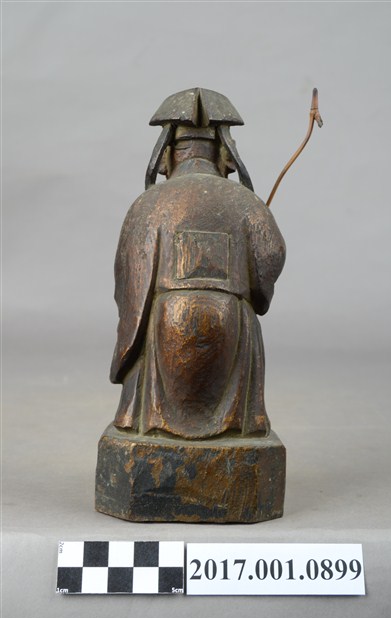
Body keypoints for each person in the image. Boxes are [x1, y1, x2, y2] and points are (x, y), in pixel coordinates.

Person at [110, 88, 285, 439]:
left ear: (165, 156)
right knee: (246, 315)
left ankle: (138, 419)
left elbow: (130, 278)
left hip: (165, 319)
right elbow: (271, 254)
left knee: (147, 324)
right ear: (227, 155)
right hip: (231, 321)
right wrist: (255, 293)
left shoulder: (149, 203)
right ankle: (242, 426)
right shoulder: (246, 202)